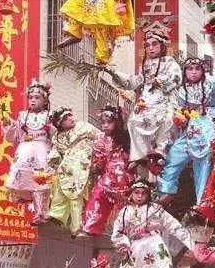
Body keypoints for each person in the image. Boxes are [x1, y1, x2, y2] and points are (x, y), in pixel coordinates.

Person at [104, 179, 192, 268]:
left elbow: (173, 226)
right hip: (133, 248)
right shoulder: (124, 212)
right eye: (136, 193)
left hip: (154, 246)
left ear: (148, 195)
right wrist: (124, 243)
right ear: (131, 194)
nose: (139, 196)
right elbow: (117, 232)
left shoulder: (155, 209)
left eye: (143, 193)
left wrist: (192, 243)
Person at [158, 57, 215, 204]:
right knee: (174, 154)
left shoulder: (211, 83)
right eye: (190, 69)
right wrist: (179, 117)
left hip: (209, 130)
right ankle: (167, 189)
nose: (194, 72)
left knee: (203, 166)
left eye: (197, 69)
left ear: (203, 71)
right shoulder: (181, 89)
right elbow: (176, 109)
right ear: (185, 72)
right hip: (191, 130)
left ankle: (202, 203)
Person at [111, 29, 181, 167]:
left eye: (154, 44)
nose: (151, 48)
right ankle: (139, 155)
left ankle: (160, 151)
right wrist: (114, 73)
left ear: (162, 46)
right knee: (133, 121)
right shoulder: (145, 65)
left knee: (168, 120)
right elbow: (135, 81)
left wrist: (159, 81)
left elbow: (176, 77)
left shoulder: (169, 62)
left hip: (164, 98)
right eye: (148, 45)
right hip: (148, 100)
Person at [1, 80, 53, 224]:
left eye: (37, 98)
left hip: (41, 149)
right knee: (22, 175)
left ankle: (41, 211)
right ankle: (22, 197)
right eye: (31, 97)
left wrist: (52, 130)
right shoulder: (23, 115)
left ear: (45, 100)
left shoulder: (50, 115)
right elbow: (16, 134)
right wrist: (8, 124)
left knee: (41, 180)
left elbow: (55, 135)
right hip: (25, 148)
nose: (33, 100)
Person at [79, 104, 132, 237]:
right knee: (97, 197)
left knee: (124, 204)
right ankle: (91, 227)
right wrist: (96, 166)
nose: (105, 125)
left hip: (122, 175)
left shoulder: (126, 138)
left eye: (109, 122)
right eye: (103, 122)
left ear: (117, 122)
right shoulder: (100, 138)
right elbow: (99, 159)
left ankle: (129, 231)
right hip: (107, 175)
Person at [47, 107, 99, 234]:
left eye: (70, 115)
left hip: (81, 166)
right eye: (65, 118)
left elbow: (101, 138)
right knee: (59, 188)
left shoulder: (84, 127)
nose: (70, 118)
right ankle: (57, 214)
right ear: (59, 124)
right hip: (66, 167)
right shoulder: (58, 137)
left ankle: (77, 225)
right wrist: (54, 159)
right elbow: (55, 151)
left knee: (75, 194)